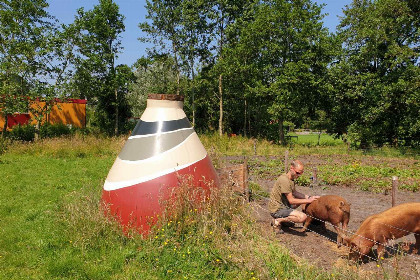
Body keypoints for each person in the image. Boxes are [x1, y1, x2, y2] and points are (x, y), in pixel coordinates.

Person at [268, 159, 320, 233]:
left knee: (300, 202)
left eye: (300, 174)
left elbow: (295, 193)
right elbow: (291, 201)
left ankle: (285, 220)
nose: (299, 175)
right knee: (302, 217)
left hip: (284, 205)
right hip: (277, 208)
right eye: (298, 173)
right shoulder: (284, 180)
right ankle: (277, 221)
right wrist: (308, 201)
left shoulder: (291, 179)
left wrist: (309, 197)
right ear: (291, 168)